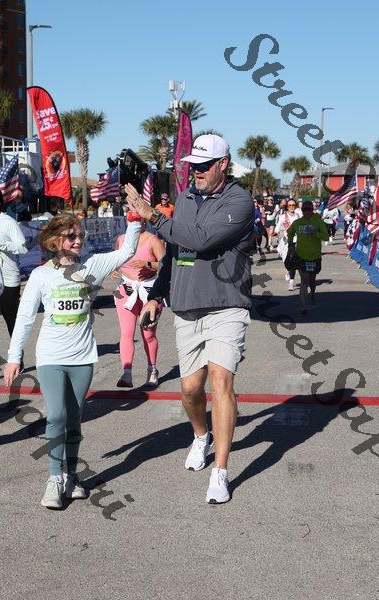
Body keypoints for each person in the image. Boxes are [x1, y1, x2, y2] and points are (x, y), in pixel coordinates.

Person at [126, 134, 253, 504]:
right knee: (190, 389)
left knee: (221, 382)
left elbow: (201, 239)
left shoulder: (239, 201)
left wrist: (153, 216)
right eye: (192, 166)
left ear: (223, 164)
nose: (196, 172)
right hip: (186, 306)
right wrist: (155, 296)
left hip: (226, 306)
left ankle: (221, 471)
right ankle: (201, 435)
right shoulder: (185, 198)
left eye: (204, 165)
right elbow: (176, 251)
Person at [3, 211, 140, 509]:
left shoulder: (91, 266)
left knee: (74, 420)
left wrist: (134, 220)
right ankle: (54, 479)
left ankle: (71, 477)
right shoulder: (41, 275)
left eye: (80, 235)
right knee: (56, 416)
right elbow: (24, 318)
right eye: (71, 236)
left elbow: (128, 250)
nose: (78, 240)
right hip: (51, 357)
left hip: (82, 357)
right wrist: (14, 357)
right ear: (55, 241)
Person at [112, 215, 165, 388]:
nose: (135, 222)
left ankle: (152, 369)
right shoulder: (121, 239)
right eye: (131, 219)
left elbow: (166, 265)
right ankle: (126, 373)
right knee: (126, 333)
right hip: (126, 289)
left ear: (144, 221)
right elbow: (114, 261)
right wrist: (114, 269)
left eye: (138, 219)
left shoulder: (153, 240)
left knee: (148, 334)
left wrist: (147, 264)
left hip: (149, 290)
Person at [0, 186, 28, 359]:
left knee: (11, 319)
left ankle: (17, 356)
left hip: (8, 277)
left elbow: (23, 248)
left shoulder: (8, 222)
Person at [287, 200, 328, 314]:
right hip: (301, 255)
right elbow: (290, 232)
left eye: (309, 209)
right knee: (304, 281)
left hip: (315, 256)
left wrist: (315, 233)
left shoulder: (318, 222)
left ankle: (313, 293)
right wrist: (290, 244)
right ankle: (304, 306)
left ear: (312, 210)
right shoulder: (298, 222)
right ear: (302, 210)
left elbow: (326, 236)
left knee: (312, 281)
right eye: (304, 209)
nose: (307, 212)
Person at [275, 198, 301, 291]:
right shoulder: (283, 217)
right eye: (289, 205)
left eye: (293, 205)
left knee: (293, 261)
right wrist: (281, 232)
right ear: (287, 206)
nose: (291, 207)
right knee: (286, 261)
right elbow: (277, 229)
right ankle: (288, 271)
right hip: (285, 242)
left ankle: (291, 283)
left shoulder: (298, 216)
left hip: (295, 241)